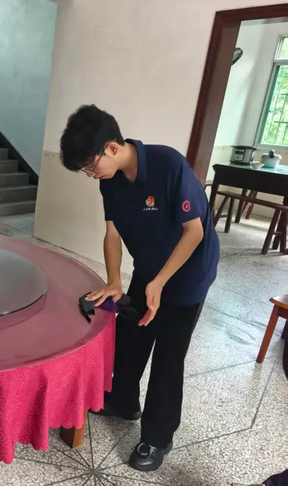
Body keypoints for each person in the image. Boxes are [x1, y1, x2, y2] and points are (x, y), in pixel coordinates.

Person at [60, 105, 220, 472]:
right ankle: (123, 401)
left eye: (90, 166)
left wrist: (160, 282)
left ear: (111, 147)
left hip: (189, 272)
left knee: (168, 355)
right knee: (132, 334)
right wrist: (114, 281)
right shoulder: (110, 180)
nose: (91, 175)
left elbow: (194, 232)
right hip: (150, 267)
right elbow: (112, 233)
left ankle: (157, 438)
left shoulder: (169, 165)